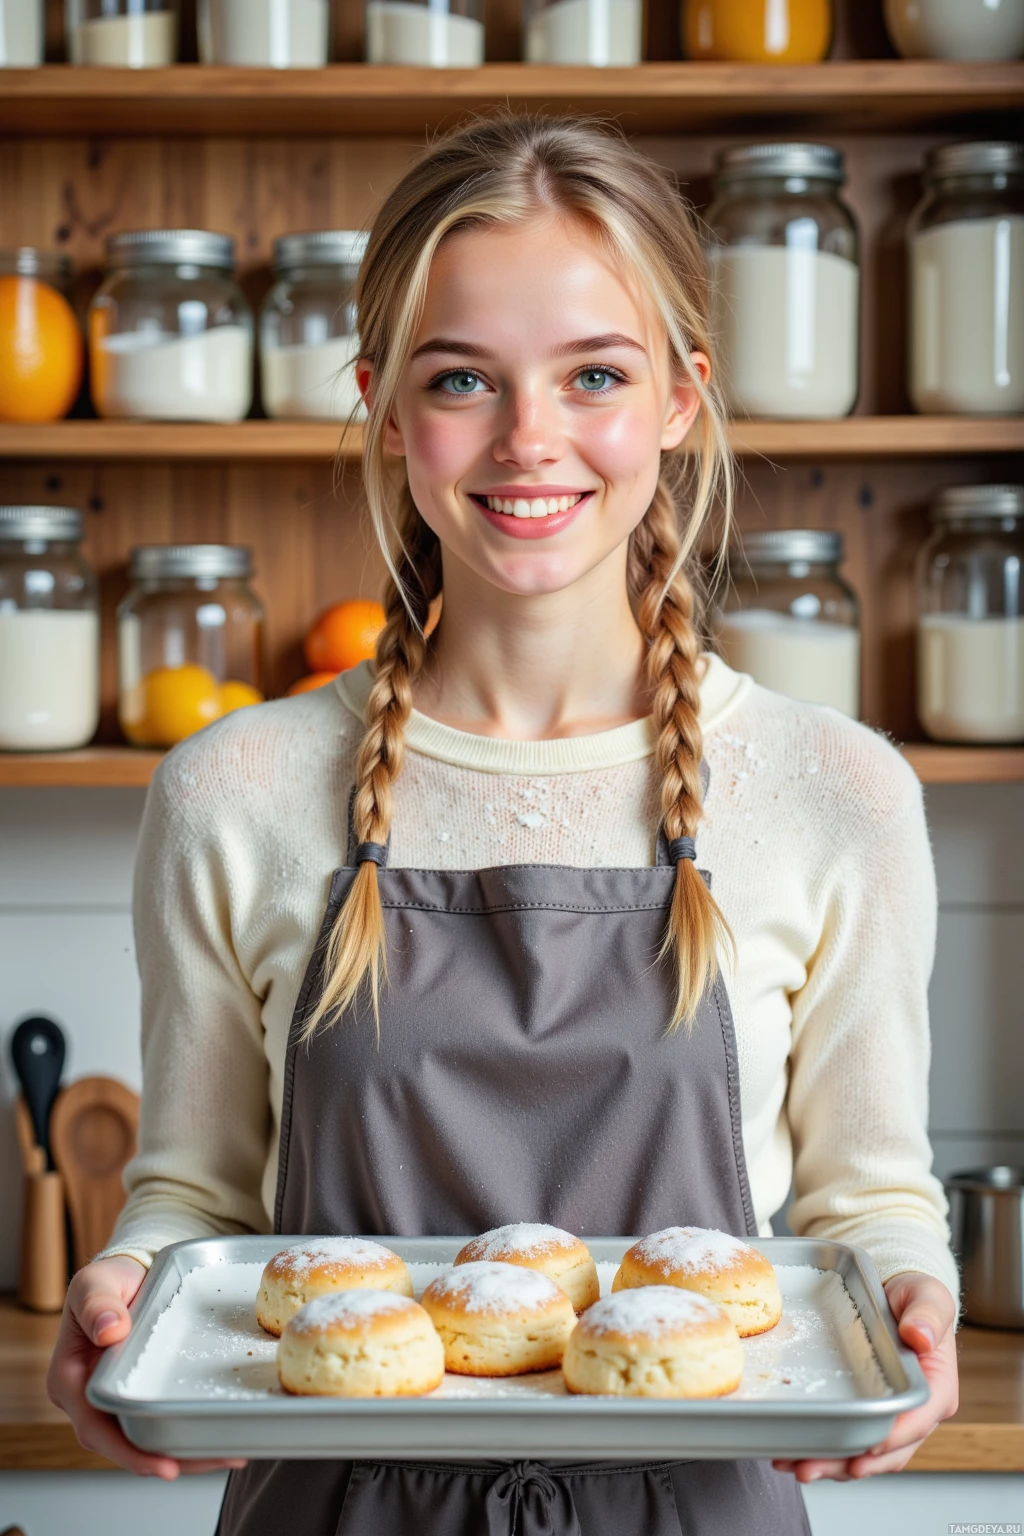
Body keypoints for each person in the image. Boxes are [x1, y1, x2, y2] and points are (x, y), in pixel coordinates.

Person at [48, 110, 960, 1534]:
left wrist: (913, 1301)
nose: (530, 440)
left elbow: (868, 1205)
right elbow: (199, 1206)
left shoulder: (835, 792)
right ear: (383, 404)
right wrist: (127, 1287)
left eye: (594, 373)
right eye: (464, 378)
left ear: (677, 395)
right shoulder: (232, 791)